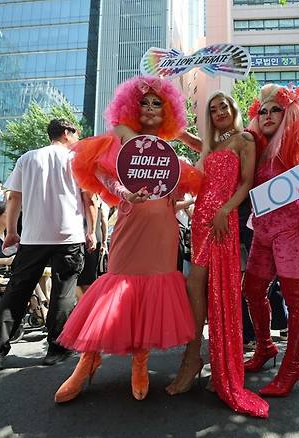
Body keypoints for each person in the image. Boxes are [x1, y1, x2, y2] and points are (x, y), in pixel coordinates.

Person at [54, 76, 201, 403]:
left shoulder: (170, 153)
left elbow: (173, 195)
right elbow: (104, 173)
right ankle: (87, 362)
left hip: (163, 229)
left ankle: (140, 361)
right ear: (132, 107)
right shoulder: (120, 138)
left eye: (157, 104)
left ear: (168, 112)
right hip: (130, 224)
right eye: (144, 103)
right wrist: (124, 192)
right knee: (116, 286)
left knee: (154, 290)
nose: (150, 108)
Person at [164, 91, 268, 417]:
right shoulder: (214, 144)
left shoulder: (244, 140)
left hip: (222, 220)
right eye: (213, 108)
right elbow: (196, 144)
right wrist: (172, 125)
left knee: (212, 289)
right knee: (199, 287)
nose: (219, 111)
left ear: (233, 109)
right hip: (199, 220)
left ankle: (201, 360)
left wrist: (226, 209)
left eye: (223, 106)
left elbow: (247, 182)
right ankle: (201, 359)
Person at [0, 118, 97, 373]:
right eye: (77, 133)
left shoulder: (27, 158)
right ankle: (57, 349)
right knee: (64, 292)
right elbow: (89, 200)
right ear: (67, 133)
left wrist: (12, 231)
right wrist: (92, 231)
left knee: (17, 291)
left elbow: (14, 198)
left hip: (33, 237)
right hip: (69, 236)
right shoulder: (77, 160)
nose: (78, 138)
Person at [242, 84, 299, 397]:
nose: (267, 115)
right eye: (262, 111)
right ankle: (265, 347)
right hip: (263, 231)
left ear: (288, 112)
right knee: (252, 290)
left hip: (293, 230)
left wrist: (292, 192)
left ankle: (292, 365)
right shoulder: (259, 148)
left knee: (296, 299)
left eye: (275, 109)